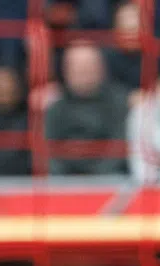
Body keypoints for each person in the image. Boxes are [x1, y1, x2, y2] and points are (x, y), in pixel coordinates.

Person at [44, 43, 129, 175]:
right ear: (66, 71)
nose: (84, 73)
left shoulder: (119, 103)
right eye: (78, 68)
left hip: (108, 180)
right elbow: (48, 153)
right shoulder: (55, 108)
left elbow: (118, 148)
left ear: (102, 69)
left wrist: (96, 179)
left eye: (89, 67)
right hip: (63, 184)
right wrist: (65, 182)